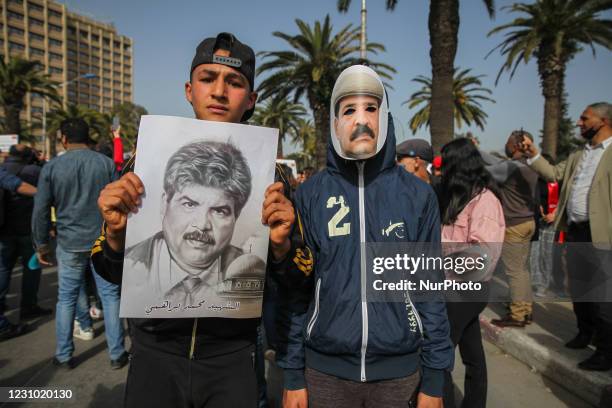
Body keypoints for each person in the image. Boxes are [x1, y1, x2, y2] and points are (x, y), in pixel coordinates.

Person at [92, 32, 305, 407]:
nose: (220, 92)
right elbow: (108, 270)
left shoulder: (273, 179)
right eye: (208, 79)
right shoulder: (141, 166)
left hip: (233, 358)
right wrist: (114, 235)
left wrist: (283, 246)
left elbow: (300, 278)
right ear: (190, 90)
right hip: (154, 353)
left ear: (251, 99)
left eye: (234, 83)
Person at [279, 65, 452, 408]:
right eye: (349, 110)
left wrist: (434, 379)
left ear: (384, 116)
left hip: (399, 375)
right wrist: (293, 373)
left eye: (371, 108)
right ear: (334, 122)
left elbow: (430, 289)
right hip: (324, 374)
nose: (361, 119)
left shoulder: (418, 196)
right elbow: (297, 294)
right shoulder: (309, 196)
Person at [519, 102, 612, 371]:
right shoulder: (578, 154)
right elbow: (554, 174)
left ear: (603, 121)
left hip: (603, 233)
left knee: (603, 296)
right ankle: (585, 333)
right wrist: (534, 153)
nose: (580, 123)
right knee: (581, 288)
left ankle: (606, 351)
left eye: (585, 118)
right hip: (576, 230)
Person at [31, 118, 128, 370]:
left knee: (66, 299)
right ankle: (117, 353)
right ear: (88, 138)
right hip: (102, 242)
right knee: (110, 295)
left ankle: (64, 356)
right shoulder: (106, 164)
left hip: (69, 243)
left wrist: (41, 245)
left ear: (64, 138)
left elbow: (41, 210)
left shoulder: (52, 167)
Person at [122, 140, 263, 307]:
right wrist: (113, 237)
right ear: (164, 203)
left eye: (219, 211)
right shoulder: (128, 262)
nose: (202, 224)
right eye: (189, 204)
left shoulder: (253, 272)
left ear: (235, 217)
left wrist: (281, 251)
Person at [438, 138, 505, 408]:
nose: (442, 172)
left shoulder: (485, 201)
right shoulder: (462, 197)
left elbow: (482, 255)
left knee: (439, 352)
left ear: (459, 166)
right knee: (472, 352)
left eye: (446, 165)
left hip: (466, 289)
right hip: (456, 287)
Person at [482, 131, 539, 327]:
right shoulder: (531, 165)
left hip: (514, 225)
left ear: (515, 146)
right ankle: (526, 310)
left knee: (514, 272)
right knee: (523, 270)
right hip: (528, 222)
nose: (505, 146)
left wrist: (473, 148)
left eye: (507, 143)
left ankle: (517, 315)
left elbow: (489, 166)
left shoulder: (511, 167)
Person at [0, 145, 50, 341]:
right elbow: (20, 187)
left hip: (3, 230)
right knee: (32, 269)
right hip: (26, 230)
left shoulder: (4, 169)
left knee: (3, 270)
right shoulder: (34, 171)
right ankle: (28, 306)